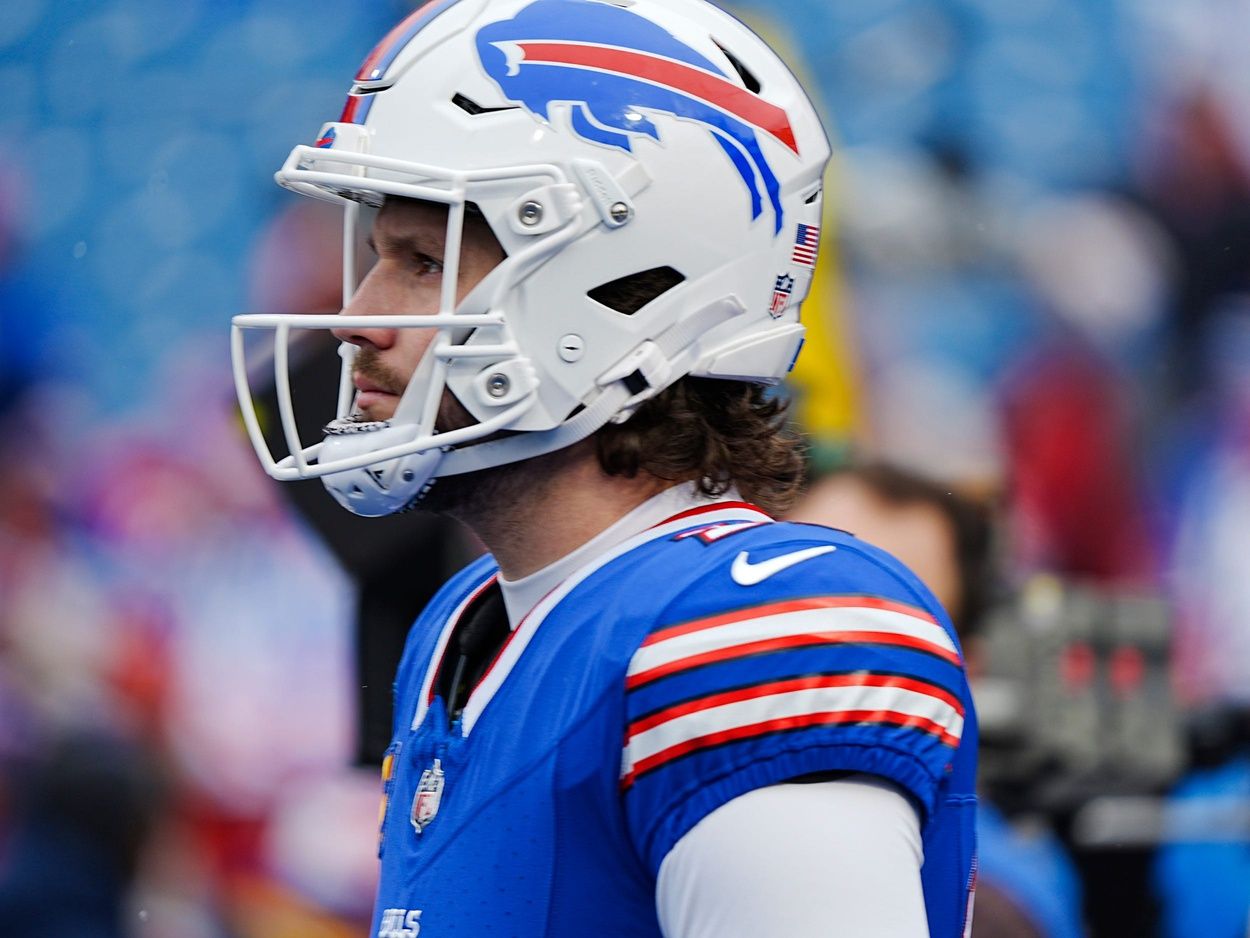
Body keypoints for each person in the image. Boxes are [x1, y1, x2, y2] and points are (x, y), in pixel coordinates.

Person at [231, 1, 977, 936]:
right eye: (379, 257)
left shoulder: (747, 635)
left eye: (423, 262)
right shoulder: (463, 628)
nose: (359, 319)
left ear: (622, 292)